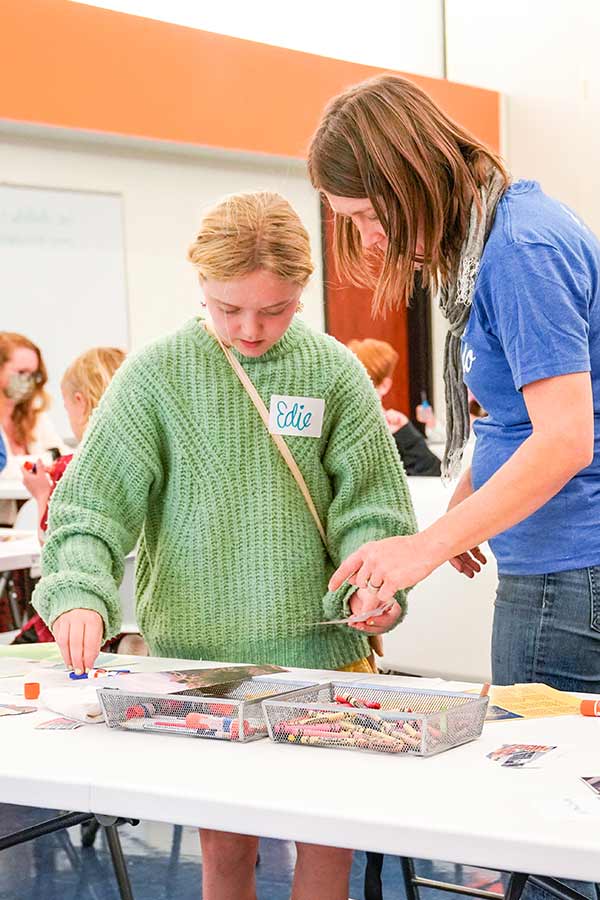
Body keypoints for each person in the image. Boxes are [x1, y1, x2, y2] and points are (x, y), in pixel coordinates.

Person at [33, 191, 416, 900]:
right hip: (200, 662)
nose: (249, 329)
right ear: (199, 285)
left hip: (323, 653)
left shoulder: (334, 372)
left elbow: (373, 509)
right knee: (225, 848)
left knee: (326, 841)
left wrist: (378, 582)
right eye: (226, 307)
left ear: (303, 290)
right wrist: (79, 595)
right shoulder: (156, 375)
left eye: (273, 311)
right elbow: (89, 508)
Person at [308, 73, 600, 696]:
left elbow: (566, 439)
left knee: (543, 781)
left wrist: (430, 546)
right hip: (556, 563)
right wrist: (466, 511)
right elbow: (514, 416)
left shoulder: (522, 248)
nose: (370, 239)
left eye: (365, 215)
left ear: (402, 179)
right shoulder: (499, 237)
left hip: (571, 566)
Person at [15, 347, 129, 646]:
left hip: (81, 620)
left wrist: (42, 495)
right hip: (135, 619)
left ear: (79, 402)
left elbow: (55, 542)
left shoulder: (73, 470)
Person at [347, 337, 441, 476]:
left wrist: (405, 433)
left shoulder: (395, 427)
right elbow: (432, 473)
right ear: (385, 385)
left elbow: (433, 472)